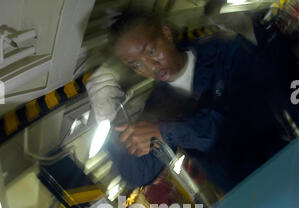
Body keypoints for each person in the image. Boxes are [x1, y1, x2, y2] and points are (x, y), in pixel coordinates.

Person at [86, 9, 287, 191]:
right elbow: (140, 174)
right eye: (136, 65)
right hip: (244, 194)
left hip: (283, 164)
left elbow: (244, 119)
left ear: (166, 34)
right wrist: (110, 118)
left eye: (151, 51)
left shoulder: (224, 51)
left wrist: (165, 131)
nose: (151, 67)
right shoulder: (157, 105)